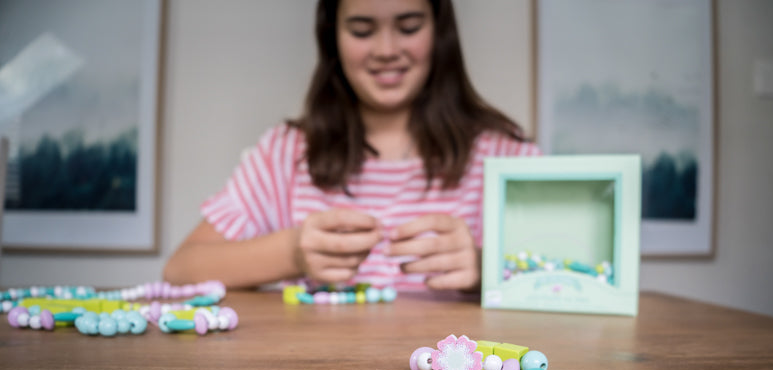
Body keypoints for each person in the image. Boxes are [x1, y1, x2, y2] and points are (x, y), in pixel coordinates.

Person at [163, 0, 539, 292]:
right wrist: (292, 252)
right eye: (362, 30)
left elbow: (582, 279)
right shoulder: (286, 152)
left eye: (409, 27)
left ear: (440, 31)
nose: (387, 49)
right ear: (333, 38)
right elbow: (180, 270)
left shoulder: (504, 155)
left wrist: (483, 268)